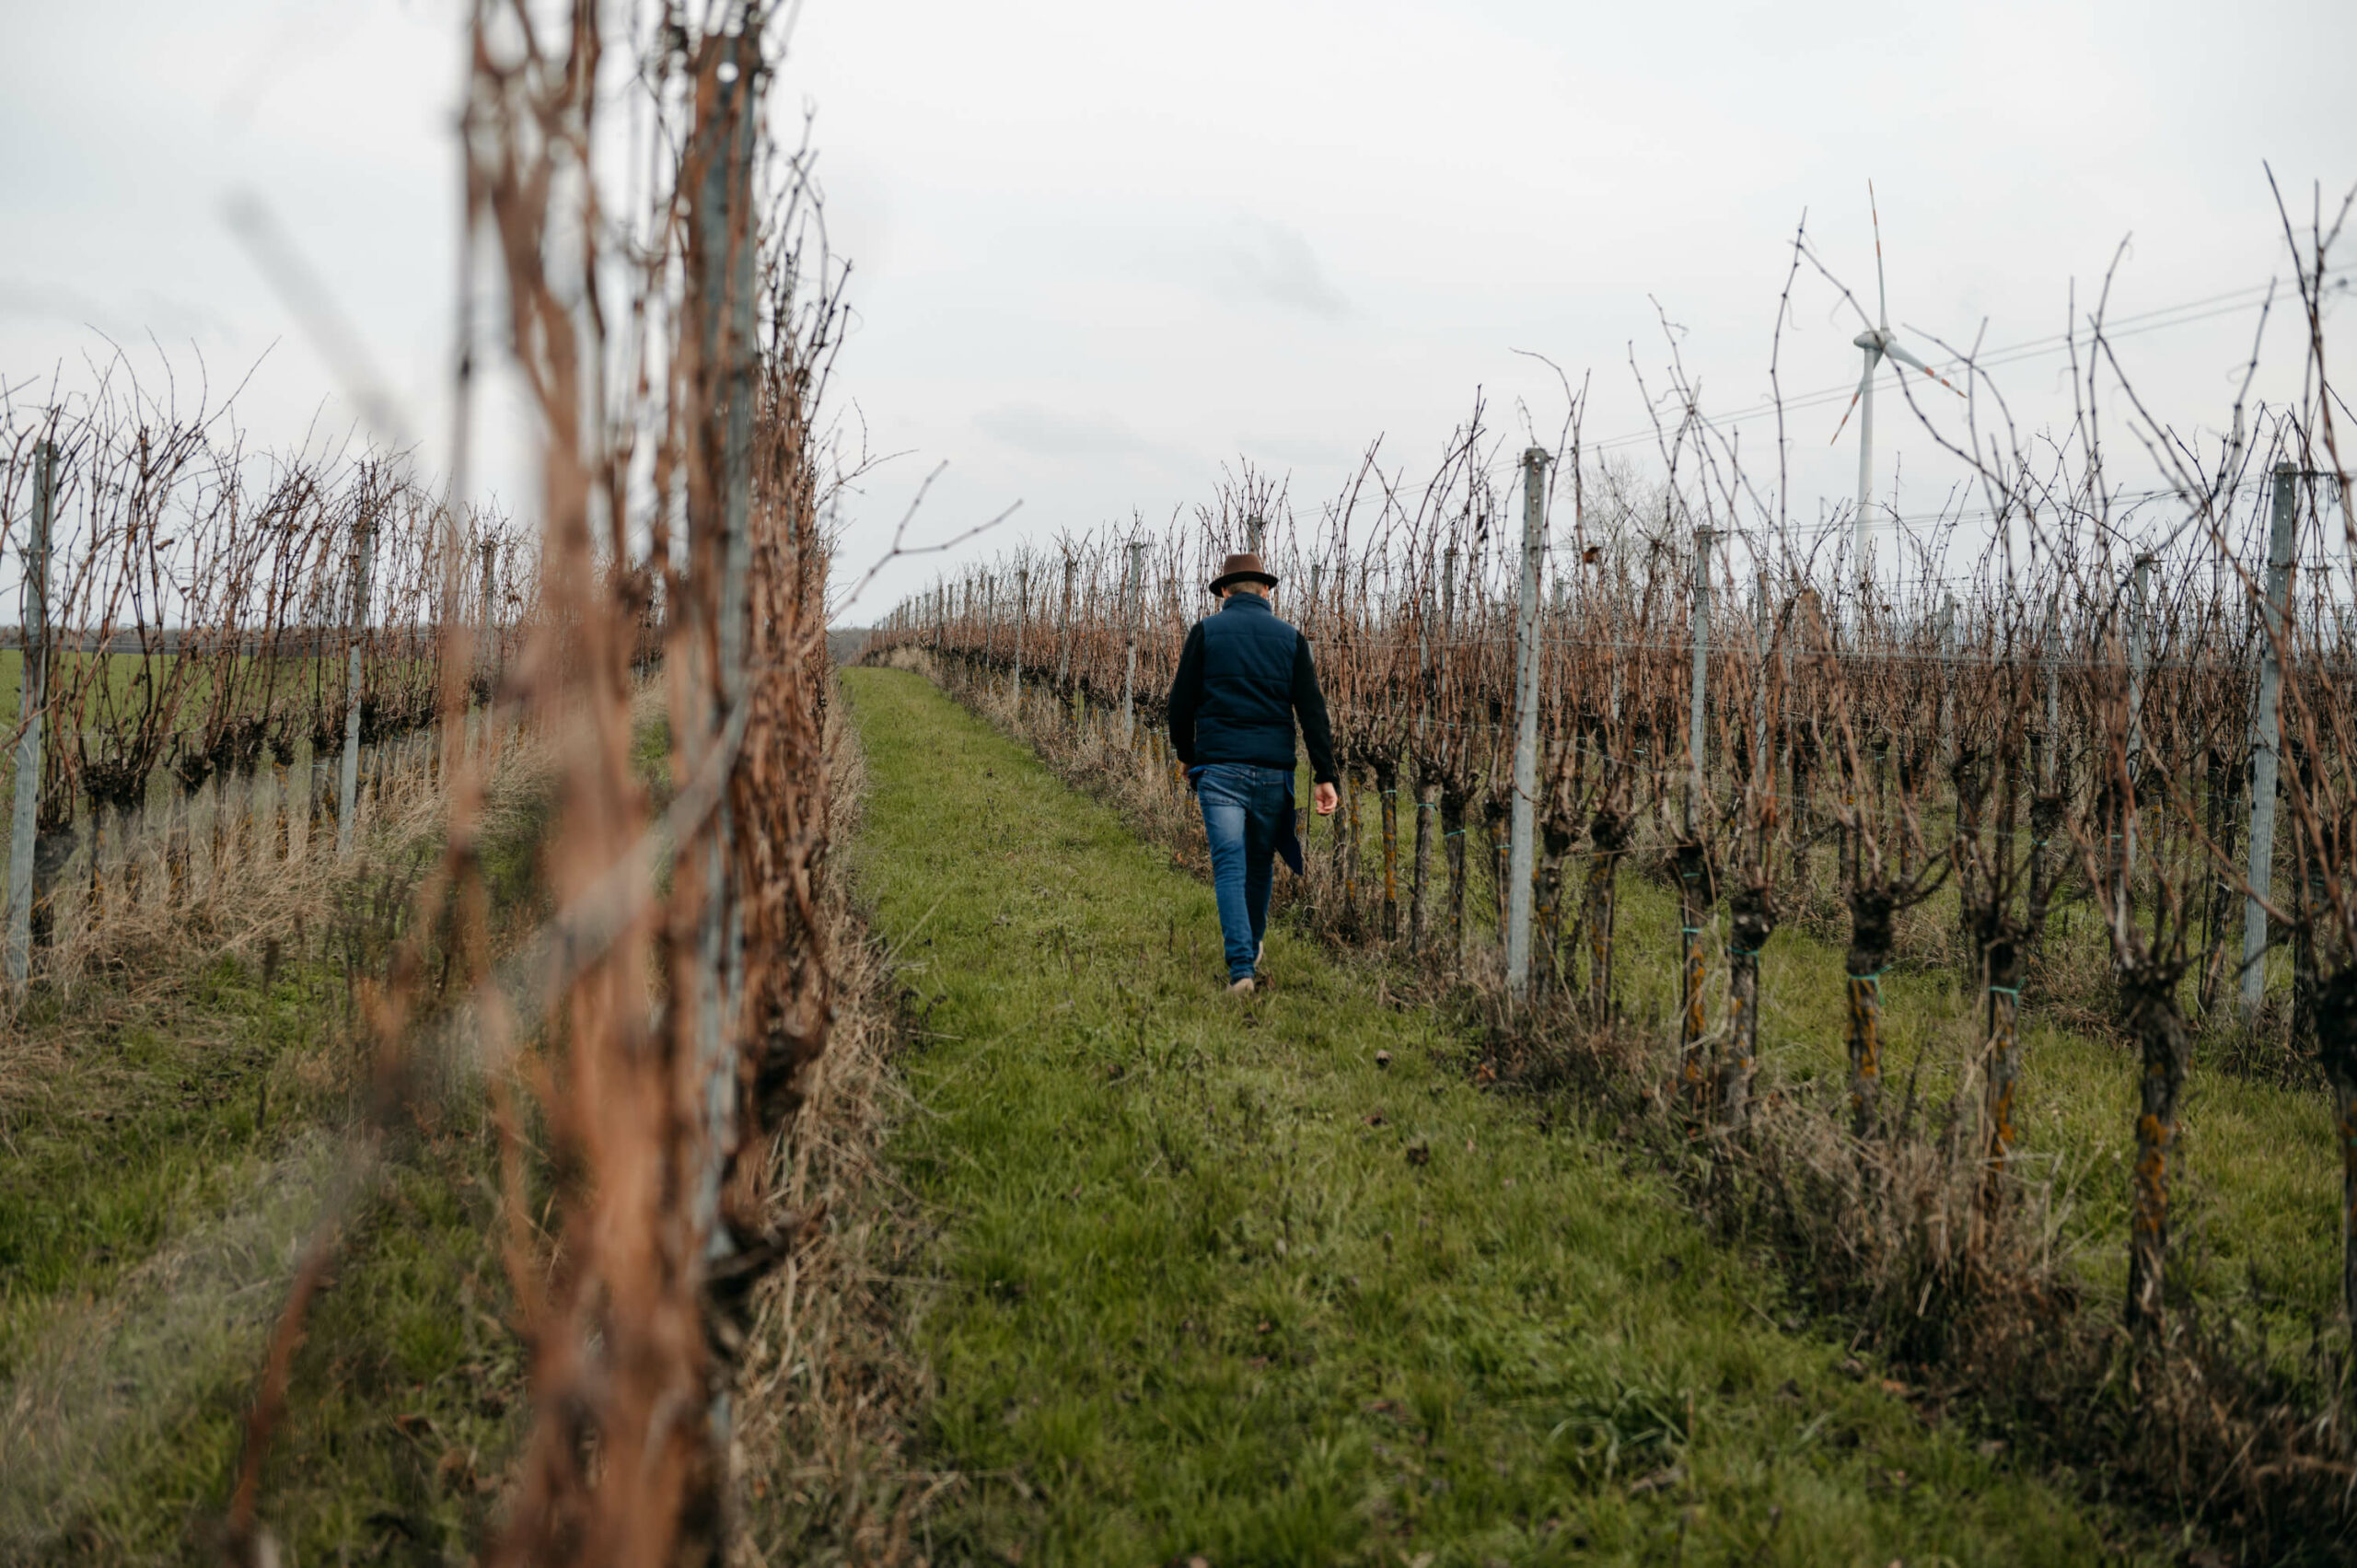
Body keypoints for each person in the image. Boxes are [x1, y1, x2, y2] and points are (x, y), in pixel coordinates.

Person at [1165, 551, 1341, 994]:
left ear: (1224, 591)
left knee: (1229, 864)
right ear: (1266, 591)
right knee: (1260, 863)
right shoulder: (1291, 638)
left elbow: (1179, 704)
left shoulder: (1204, 632)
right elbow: (1312, 710)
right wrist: (1326, 774)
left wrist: (1187, 754)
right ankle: (1252, 943)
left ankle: (1241, 968)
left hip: (1219, 768)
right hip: (1271, 772)